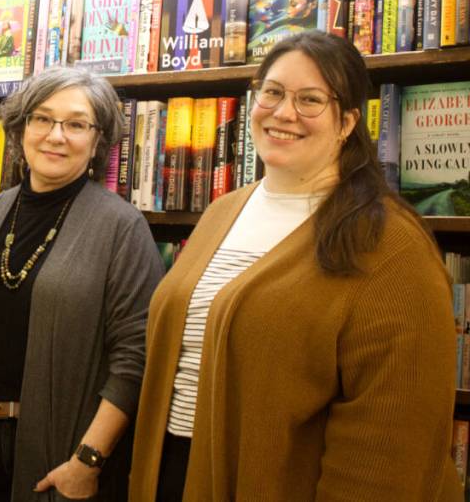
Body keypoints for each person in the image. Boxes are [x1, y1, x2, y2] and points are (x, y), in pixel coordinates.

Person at [130, 30, 463, 501]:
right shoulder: (223, 211)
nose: (284, 113)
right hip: (175, 475)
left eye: (310, 100)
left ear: (347, 122)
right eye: (273, 92)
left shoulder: (390, 246)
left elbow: (389, 449)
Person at [0, 66, 165, 502]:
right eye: (43, 119)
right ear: (21, 128)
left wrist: (88, 460)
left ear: (98, 141)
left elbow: (135, 356)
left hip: (64, 454)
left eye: (76, 124)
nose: (56, 135)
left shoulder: (121, 227)